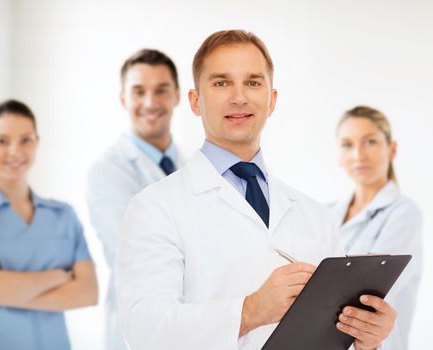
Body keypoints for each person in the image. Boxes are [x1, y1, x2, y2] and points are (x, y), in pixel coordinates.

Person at [115, 30, 397, 350]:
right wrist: (250, 310)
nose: (239, 97)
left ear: (271, 100)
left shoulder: (314, 215)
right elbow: (143, 330)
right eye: (221, 82)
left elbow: (329, 339)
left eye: (253, 82)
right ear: (195, 101)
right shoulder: (154, 207)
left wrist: (366, 339)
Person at [0, 100, 98, 350]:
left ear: (37, 143)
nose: (15, 151)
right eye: (2, 141)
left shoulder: (63, 215)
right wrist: (59, 276)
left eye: (25, 140)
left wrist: (8, 292)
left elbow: (87, 292)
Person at [86, 48, 185, 349]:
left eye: (161, 90)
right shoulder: (108, 171)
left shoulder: (190, 166)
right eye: (138, 91)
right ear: (123, 99)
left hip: (189, 327)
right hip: (137, 333)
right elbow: (138, 254)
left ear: (178, 96)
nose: (150, 103)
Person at [329, 106, 422, 350]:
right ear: (338, 155)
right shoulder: (323, 214)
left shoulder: (404, 213)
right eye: (347, 144)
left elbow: (371, 291)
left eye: (370, 141)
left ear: (392, 149)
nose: (358, 154)